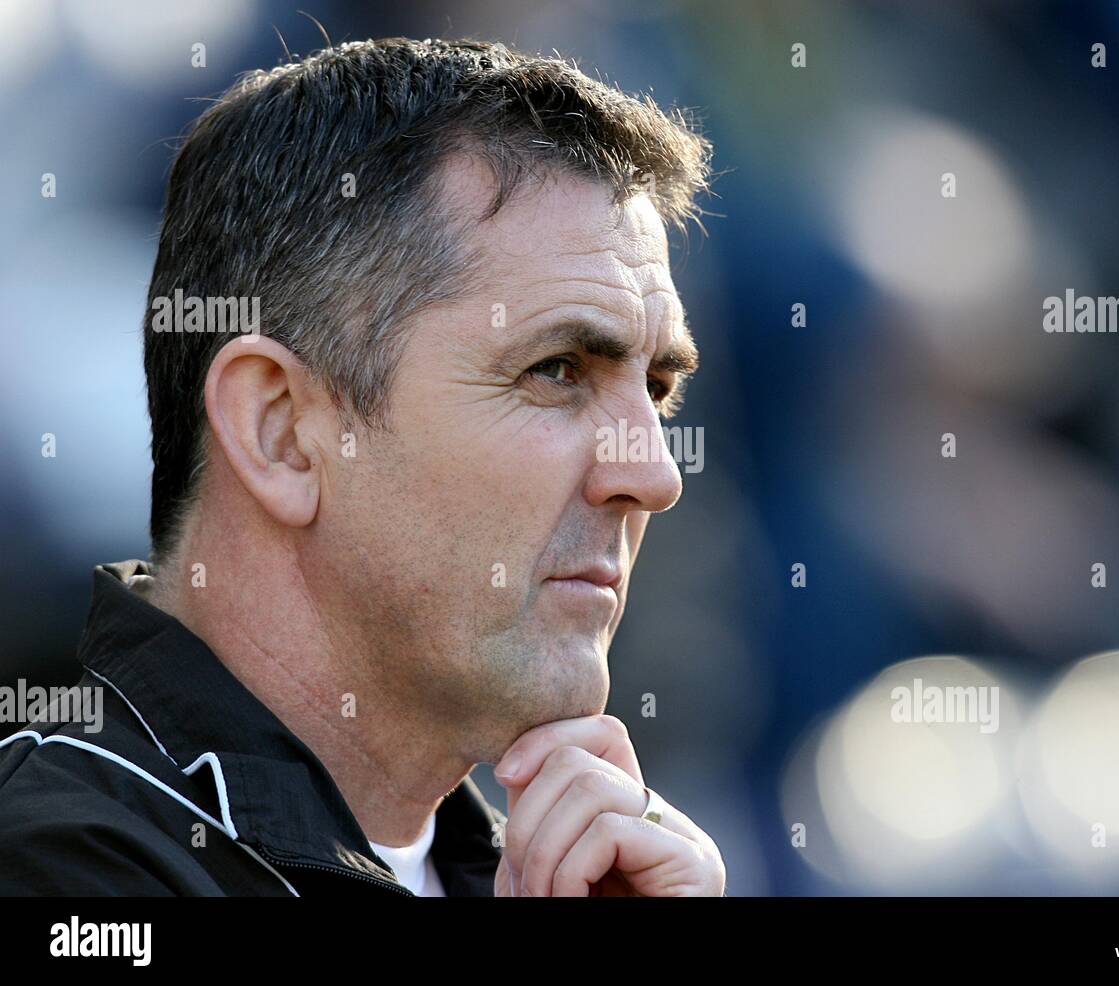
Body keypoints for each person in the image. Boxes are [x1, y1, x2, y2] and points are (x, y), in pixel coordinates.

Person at [0, 36, 724, 897]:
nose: (656, 476)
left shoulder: (542, 875)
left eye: (656, 388)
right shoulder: (56, 864)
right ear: (281, 432)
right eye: (557, 369)